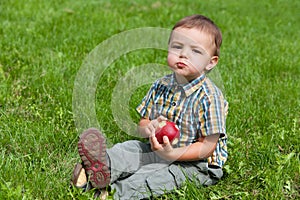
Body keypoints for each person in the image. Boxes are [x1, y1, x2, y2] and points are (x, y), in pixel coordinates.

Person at [71, 14, 228, 199]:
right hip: (159, 149)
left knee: (158, 178)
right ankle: (101, 167)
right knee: (130, 149)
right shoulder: (161, 85)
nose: (183, 54)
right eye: (177, 47)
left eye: (196, 51)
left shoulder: (210, 97)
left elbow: (207, 146)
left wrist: (173, 155)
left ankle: (112, 193)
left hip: (197, 164)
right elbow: (143, 123)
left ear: (211, 62)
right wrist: (149, 127)